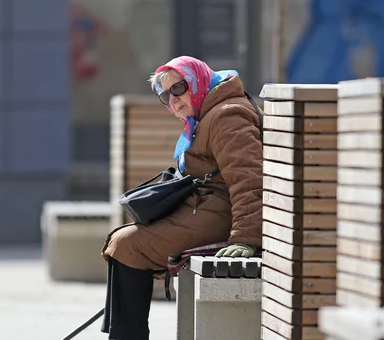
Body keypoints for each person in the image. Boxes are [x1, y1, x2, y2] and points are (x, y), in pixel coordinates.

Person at [100, 56, 264, 340]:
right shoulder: (207, 113)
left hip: (223, 214)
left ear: (198, 81)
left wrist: (246, 238)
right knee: (123, 242)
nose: (174, 100)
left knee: (128, 245)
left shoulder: (227, 115)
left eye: (179, 89)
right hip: (205, 208)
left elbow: (248, 179)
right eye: (165, 95)